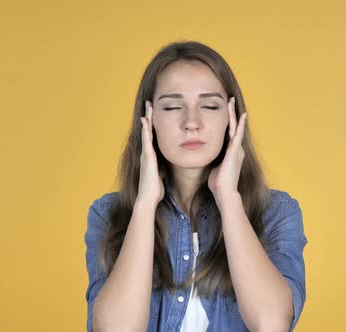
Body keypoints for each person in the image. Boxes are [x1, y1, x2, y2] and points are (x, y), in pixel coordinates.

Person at [84, 40, 308, 332]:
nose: (192, 122)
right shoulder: (108, 213)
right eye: (173, 106)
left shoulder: (277, 212)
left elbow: (271, 324)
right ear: (149, 120)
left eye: (210, 105)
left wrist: (228, 197)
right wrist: (145, 203)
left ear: (231, 118)